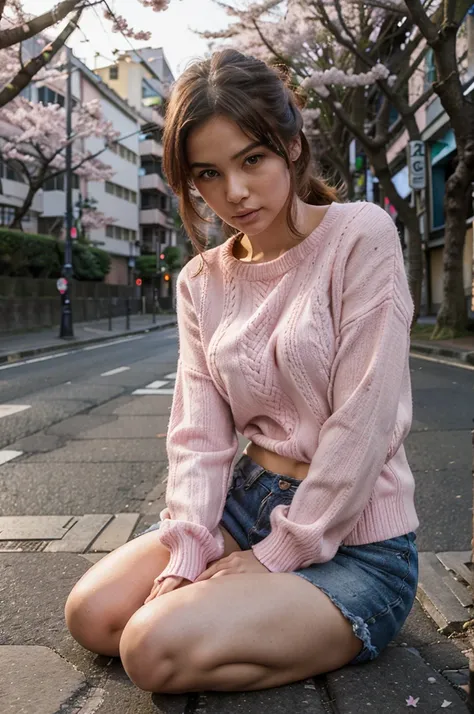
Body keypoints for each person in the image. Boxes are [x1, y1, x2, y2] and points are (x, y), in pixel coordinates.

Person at [64, 49, 419, 695]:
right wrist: (189, 550)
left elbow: (363, 421)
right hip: (243, 506)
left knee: (150, 650)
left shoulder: (359, 235)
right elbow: (198, 436)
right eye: (207, 173)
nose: (234, 192)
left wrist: (278, 556)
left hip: (358, 541)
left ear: (290, 144)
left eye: (252, 159)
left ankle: (313, 624)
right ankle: (223, 620)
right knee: (93, 615)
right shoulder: (201, 279)